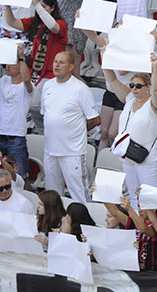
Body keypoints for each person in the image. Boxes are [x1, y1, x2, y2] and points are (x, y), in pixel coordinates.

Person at [40, 51, 99, 203]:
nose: (57, 65)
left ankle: (85, 223)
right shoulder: (47, 86)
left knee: (78, 192)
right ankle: (55, 223)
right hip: (50, 149)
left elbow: (94, 118)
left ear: (71, 66)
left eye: (61, 62)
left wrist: (76, 130)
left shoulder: (80, 88)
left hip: (72, 151)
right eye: (55, 61)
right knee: (52, 193)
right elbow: (45, 114)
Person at [102, 59, 157, 200]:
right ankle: (135, 220)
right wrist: (106, 58)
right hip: (127, 154)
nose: (134, 89)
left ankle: (154, 221)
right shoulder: (129, 98)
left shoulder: (154, 104)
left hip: (146, 158)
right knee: (133, 195)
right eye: (132, 85)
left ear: (147, 86)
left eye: (138, 86)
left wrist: (154, 68)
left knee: (149, 196)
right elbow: (112, 80)